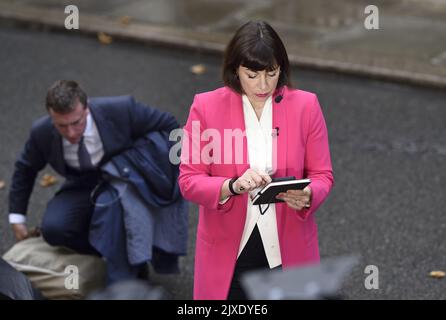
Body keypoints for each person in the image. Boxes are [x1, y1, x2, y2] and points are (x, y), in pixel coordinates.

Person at [178, 21, 334, 300]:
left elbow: (323, 174)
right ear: (235, 71)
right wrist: (232, 186)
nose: (263, 85)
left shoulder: (307, 106)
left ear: (281, 69)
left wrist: (309, 194)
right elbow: (189, 181)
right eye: (252, 75)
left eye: (271, 74)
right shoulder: (205, 107)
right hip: (229, 252)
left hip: (290, 250)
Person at [8, 80, 181, 284]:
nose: (71, 133)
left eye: (76, 122)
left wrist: (156, 167)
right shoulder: (41, 132)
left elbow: (170, 126)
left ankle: (128, 271)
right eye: (62, 126)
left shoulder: (122, 109)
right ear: (51, 116)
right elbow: (25, 169)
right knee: (55, 229)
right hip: (82, 183)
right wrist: (17, 218)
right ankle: (114, 255)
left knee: (114, 217)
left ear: (86, 109)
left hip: (124, 176)